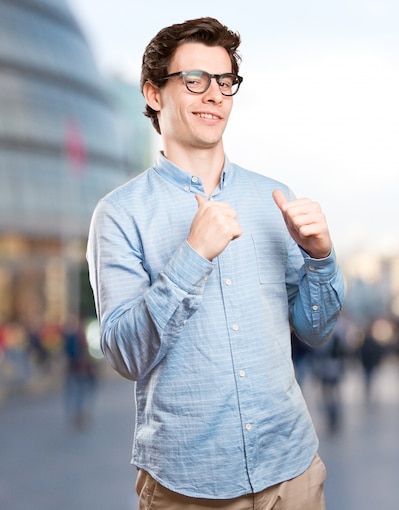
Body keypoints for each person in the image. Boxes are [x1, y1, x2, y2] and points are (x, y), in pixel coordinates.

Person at [86, 17, 344, 510]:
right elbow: (122, 354)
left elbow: (315, 330)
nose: (215, 94)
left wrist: (321, 258)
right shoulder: (118, 214)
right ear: (155, 94)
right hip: (187, 486)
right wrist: (192, 257)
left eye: (225, 81)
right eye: (195, 80)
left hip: (294, 472)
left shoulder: (274, 197)